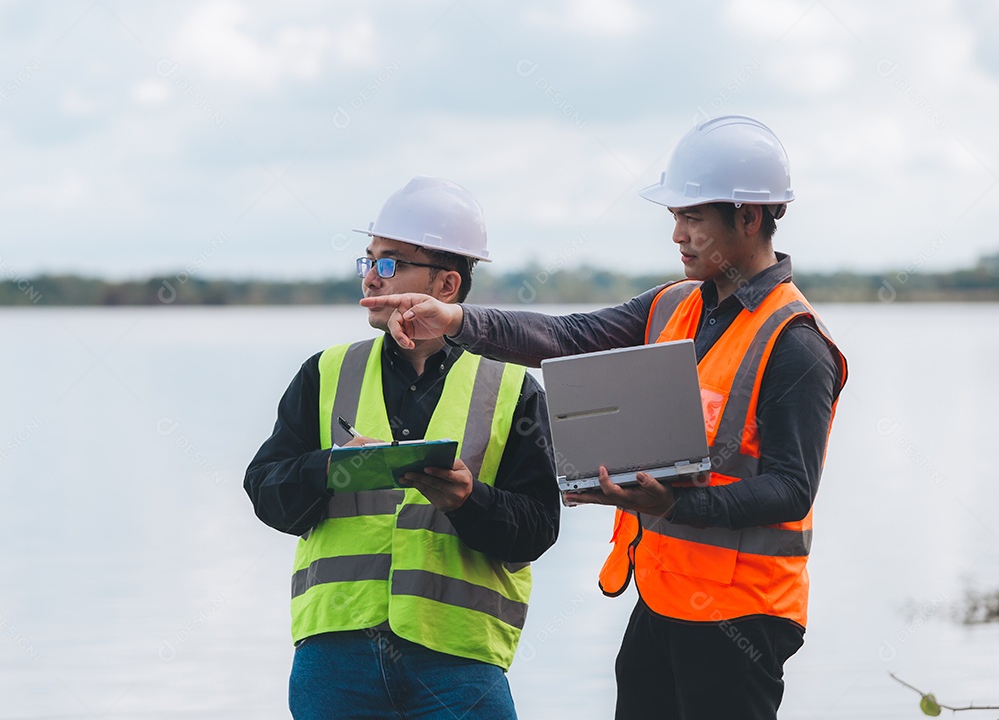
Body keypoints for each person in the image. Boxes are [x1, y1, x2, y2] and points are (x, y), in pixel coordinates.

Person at [361, 117, 849, 719]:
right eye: (675, 217)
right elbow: (565, 337)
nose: (677, 234)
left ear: (749, 218)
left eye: (693, 218)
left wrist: (672, 505)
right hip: (661, 600)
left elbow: (791, 490)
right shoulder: (674, 304)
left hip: (742, 617)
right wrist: (455, 320)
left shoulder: (795, 342)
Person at [244, 176, 560, 720]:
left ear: (445, 285)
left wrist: (468, 500)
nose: (370, 275)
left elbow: (537, 528)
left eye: (390, 263)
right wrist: (334, 470)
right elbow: (267, 494)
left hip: (460, 661)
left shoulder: (513, 389)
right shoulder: (323, 374)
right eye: (367, 259)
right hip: (335, 658)